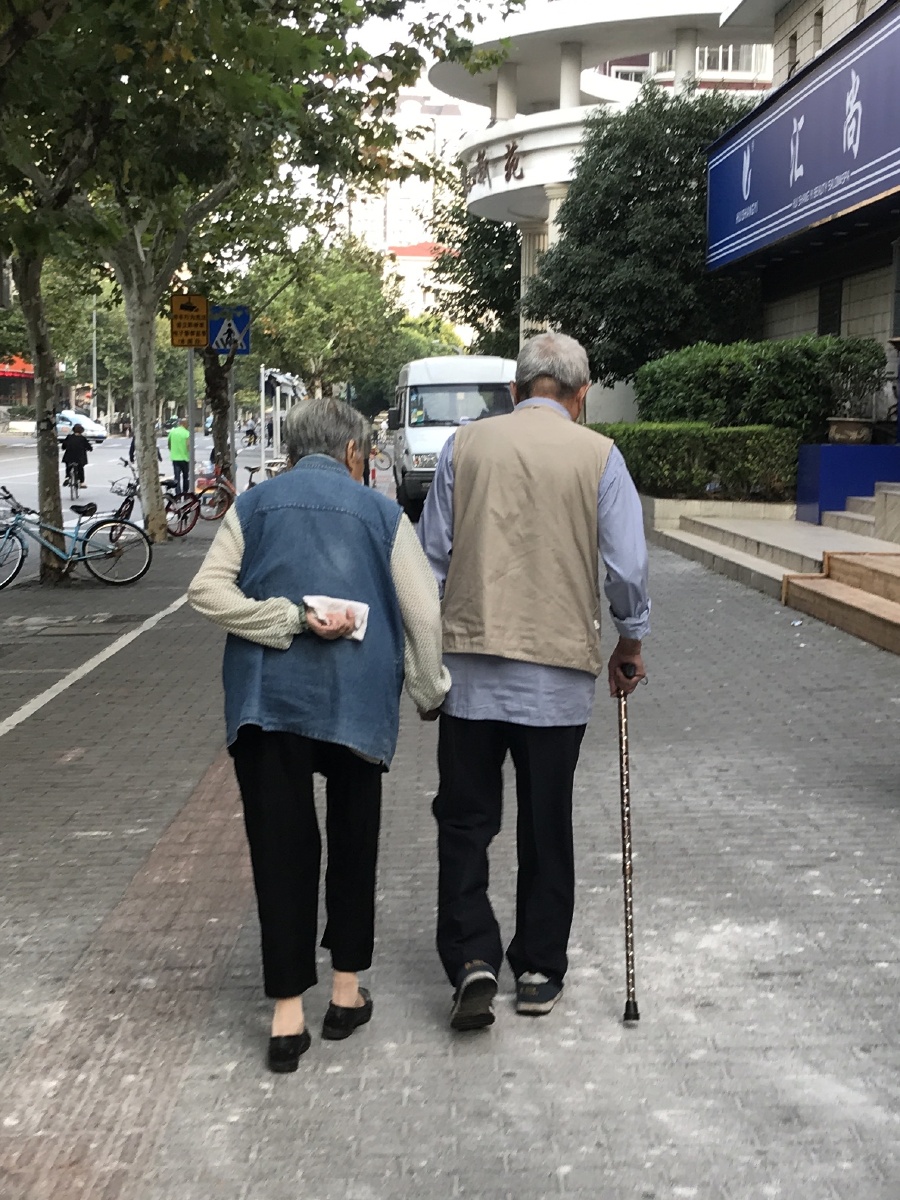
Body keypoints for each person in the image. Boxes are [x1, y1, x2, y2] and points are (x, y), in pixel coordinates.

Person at [188, 397, 449, 1073]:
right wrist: (429, 691)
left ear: (292, 449)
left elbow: (207, 592)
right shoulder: (383, 514)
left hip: (265, 702)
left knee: (281, 850)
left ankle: (285, 1018)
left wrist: (280, 617)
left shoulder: (253, 506)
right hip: (356, 700)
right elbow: (423, 614)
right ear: (353, 452)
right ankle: (344, 992)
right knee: (354, 841)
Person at [417, 331, 650, 1032]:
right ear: (582, 396)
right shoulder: (600, 456)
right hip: (558, 680)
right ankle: (540, 968)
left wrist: (424, 659)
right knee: (546, 822)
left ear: (515, 391)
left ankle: (471, 956)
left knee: (465, 820)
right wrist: (630, 639)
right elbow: (627, 568)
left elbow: (430, 561)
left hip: (470, 674)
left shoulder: (463, 447)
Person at [168, 417, 190, 494]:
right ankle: (185, 494)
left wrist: (173, 451)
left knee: (177, 478)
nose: (188, 426)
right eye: (187, 424)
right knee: (185, 477)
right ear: (184, 424)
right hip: (185, 459)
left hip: (175, 458)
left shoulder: (172, 432)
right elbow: (188, 445)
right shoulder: (187, 433)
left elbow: (169, 444)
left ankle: (178, 495)